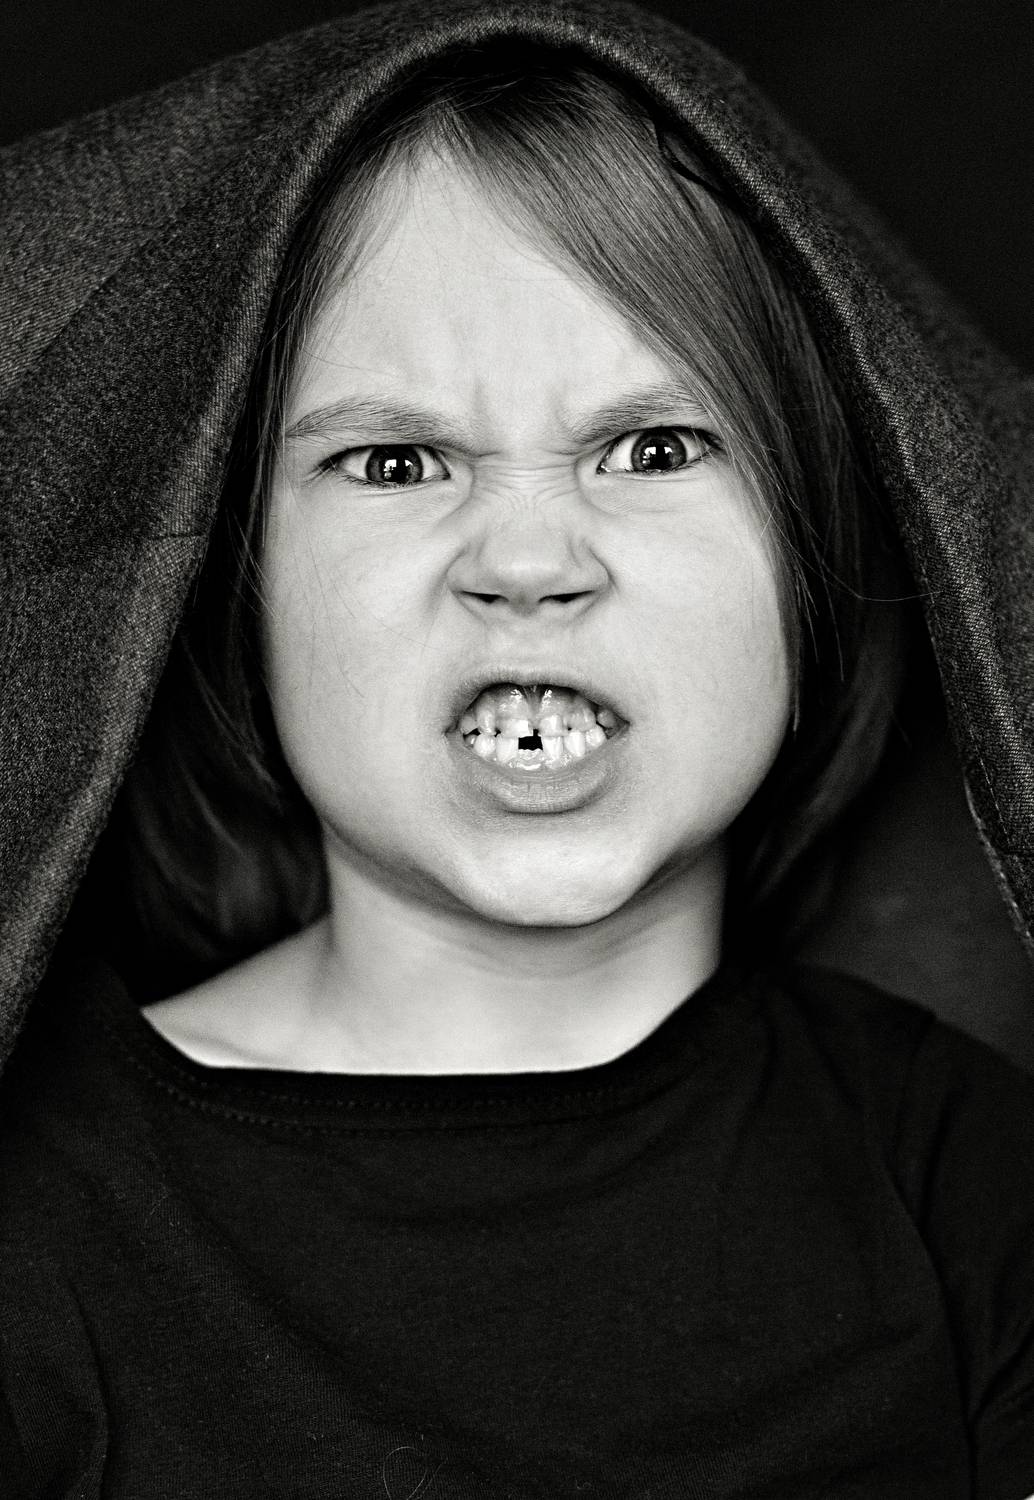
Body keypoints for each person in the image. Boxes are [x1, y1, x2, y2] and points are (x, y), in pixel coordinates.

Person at [1, 3, 1033, 1496]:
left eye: (654, 449)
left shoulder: (970, 1187)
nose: (530, 562)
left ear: (814, 552)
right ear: (226, 577)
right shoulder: (39, 1219)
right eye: (395, 461)